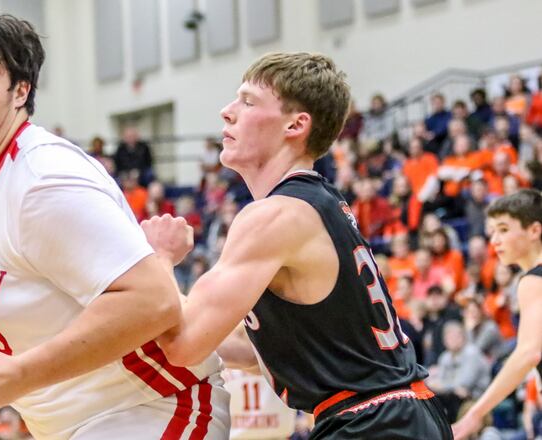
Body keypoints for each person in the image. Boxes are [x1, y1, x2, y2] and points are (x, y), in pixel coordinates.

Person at [0, 10, 229, 439]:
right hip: (70, 427)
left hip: (152, 407)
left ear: (20, 91)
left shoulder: (44, 180)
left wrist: (20, 375)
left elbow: (153, 300)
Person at [141, 52, 451, 438]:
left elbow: (183, 345)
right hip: (396, 415)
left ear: (296, 124)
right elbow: (250, 351)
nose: (227, 111)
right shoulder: (316, 203)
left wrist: (159, 258)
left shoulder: (275, 216)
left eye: (248, 101)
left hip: (371, 422)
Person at [452, 189, 542, 439]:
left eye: (503, 229)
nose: (495, 241)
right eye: (492, 232)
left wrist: (476, 413)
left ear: (534, 231)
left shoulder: (533, 281)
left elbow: (528, 353)